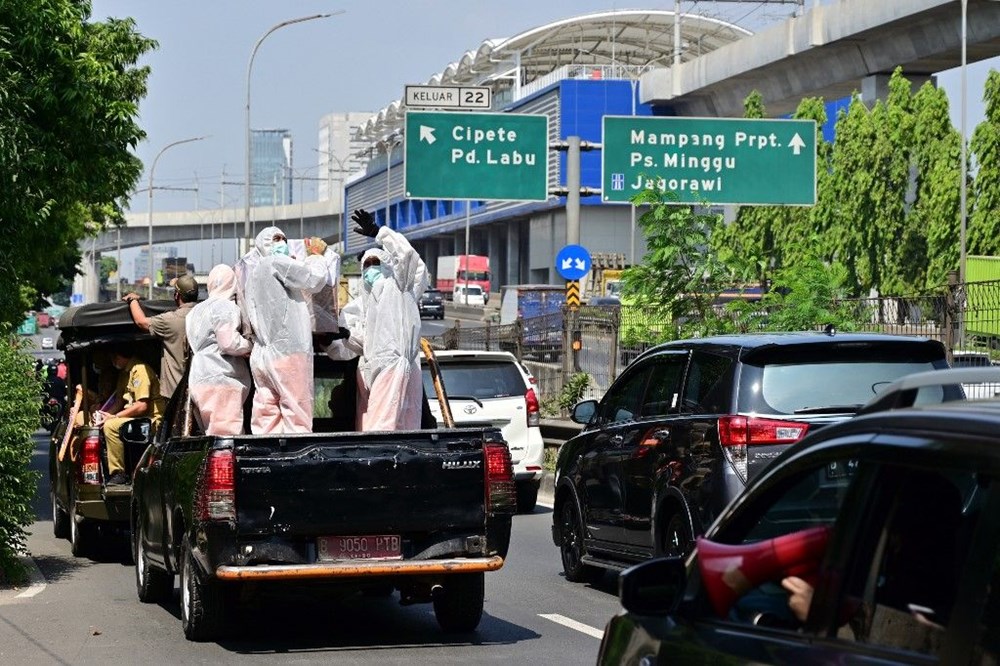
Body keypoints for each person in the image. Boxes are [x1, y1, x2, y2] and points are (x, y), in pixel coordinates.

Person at [326, 209, 429, 431]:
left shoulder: (399, 286)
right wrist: (346, 336)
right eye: (367, 264)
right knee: (374, 427)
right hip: (371, 370)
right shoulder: (363, 304)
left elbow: (408, 257)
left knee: (398, 428)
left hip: (397, 366)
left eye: (376, 263)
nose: (371, 269)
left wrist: (379, 233)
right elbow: (365, 345)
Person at [242, 226, 330, 434]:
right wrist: (316, 256)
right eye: (276, 238)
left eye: (284, 238)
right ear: (265, 243)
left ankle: (266, 458)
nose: (282, 242)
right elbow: (314, 279)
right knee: (296, 413)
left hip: (263, 355)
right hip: (289, 352)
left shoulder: (253, 273)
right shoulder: (277, 263)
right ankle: (295, 463)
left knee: (266, 415)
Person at [185, 264, 253, 435]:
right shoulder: (224, 307)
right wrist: (251, 346)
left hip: (200, 376)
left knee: (211, 433)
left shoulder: (196, 311)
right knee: (227, 437)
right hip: (222, 378)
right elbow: (228, 343)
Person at [123, 274, 199, 401]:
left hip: (176, 393)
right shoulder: (206, 315)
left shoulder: (170, 320)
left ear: (177, 295)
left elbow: (141, 322)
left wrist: (133, 300)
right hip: (203, 389)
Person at [98, 349, 166, 485]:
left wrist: (114, 418)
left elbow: (142, 406)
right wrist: (105, 416)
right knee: (104, 424)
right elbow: (118, 402)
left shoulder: (139, 370)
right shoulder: (124, 373)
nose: (113, 361)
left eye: (114, 357)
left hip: (150, 420)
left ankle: (119, 473)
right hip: (136, 419)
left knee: (111, 426)